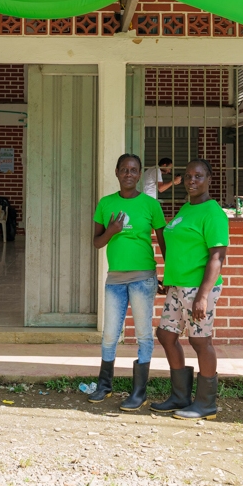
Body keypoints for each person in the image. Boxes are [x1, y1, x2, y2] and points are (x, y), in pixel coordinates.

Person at [89, 153, 167, 411]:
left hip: (143, 278)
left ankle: (138, 391)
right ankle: (104, 385)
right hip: (115, 279)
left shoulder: (151, 205)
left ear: (140, 173)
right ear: (117, 172)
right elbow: (97, 242)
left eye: (134, 170)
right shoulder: (106, 203)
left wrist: (170, 274)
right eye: (124, 170)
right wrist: (111, 231)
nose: (129, 174)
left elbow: (164, 242)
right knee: (110, 333)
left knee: (144, 335)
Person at [152, 159, 228, 419]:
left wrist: (203, 296)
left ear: (209, 180)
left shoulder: (212, 212)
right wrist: (170, 278)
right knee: (166, 335)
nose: (191, 180)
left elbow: (217, 256)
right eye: (187, 176)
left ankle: (206, 403)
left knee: (200, 340)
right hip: (178, 286)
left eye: (198, 176)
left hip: (198, 289)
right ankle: (180, 396)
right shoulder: (187, 207)